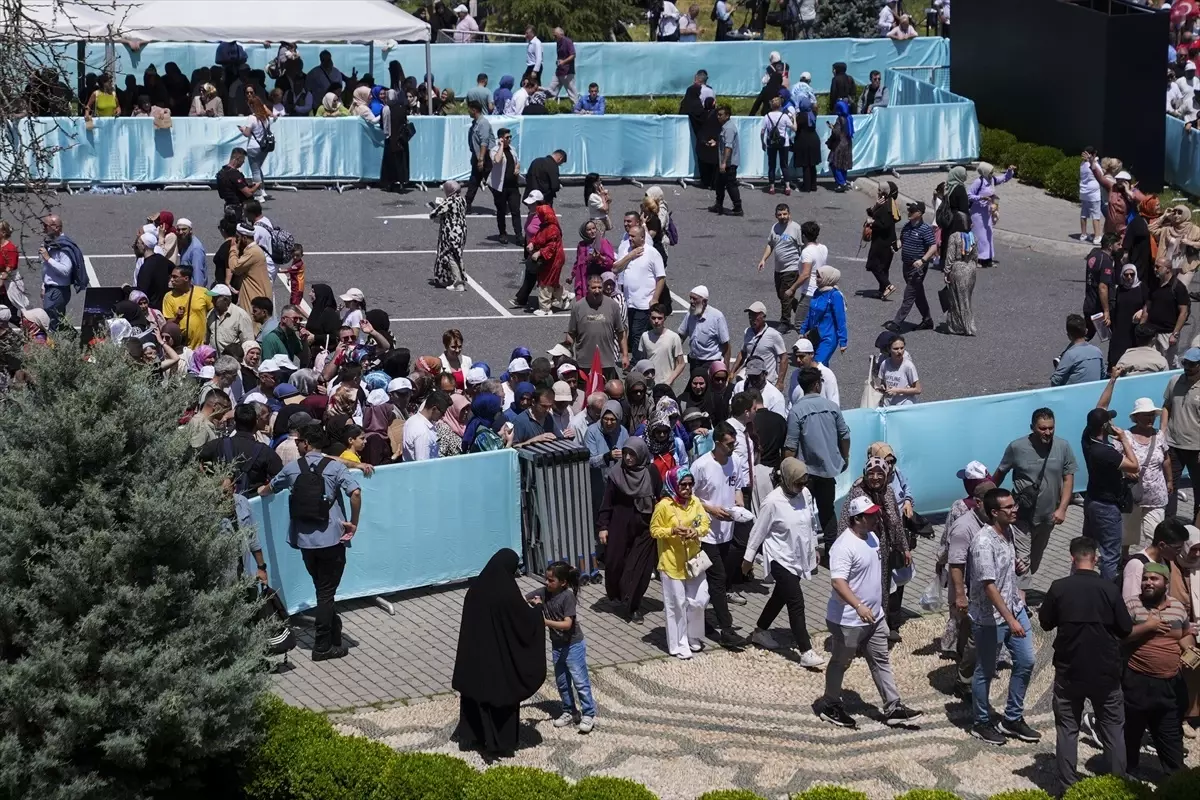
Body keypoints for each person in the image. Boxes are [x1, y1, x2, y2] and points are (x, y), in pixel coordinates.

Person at [818, 495, 924, 729]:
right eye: (871, 515)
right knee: (840, 662)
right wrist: (858, 605)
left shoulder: (873, 538)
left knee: (881, 660)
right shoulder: (843, 546)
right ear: (857, 519)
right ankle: (830, 704)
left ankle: (893, 706)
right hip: (847, 620)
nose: (877, 517)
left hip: (875, 617)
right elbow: (838, 582)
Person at [258, 423, 360, 661]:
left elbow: (268, 489)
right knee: (326, 593)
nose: (296, 444)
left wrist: (256, 491)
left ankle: (333, 628)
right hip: (332, 539)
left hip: (304, 541)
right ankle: (323, 646)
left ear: (306, 443)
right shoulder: (334, 467)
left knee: (322, 589)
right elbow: (355, 492)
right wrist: (353, 522)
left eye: (298, 441)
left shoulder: (293, 468)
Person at [1039, 536, 1133, 792]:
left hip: (1070, 670)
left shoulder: (1059, 588)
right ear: (1095, 558)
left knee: (1067, 729)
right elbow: (1125, 629)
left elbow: (1046, 622)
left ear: (1072, 558)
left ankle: (1068, 786)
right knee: (1113, 729)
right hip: (1106, 670)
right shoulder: (1110, 589)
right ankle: (1116, 786)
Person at [452, 548, 546, 756]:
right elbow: (523, 623)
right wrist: (538, 610)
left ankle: (473, 737)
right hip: (498, 667)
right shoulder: (506, 593)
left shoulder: (475, 589)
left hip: (475, 662)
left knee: (475, 700)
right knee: (499, 702)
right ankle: (500, 744)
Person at [967, 488, 1040, 746]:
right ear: (994, 512)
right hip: (990, 618)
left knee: (1026, 660)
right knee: (986, 670)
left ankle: (1012, 718)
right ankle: (981, 722)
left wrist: (1016, 564)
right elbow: (988, 586)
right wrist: (1011, 620)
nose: (1014, 509)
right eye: (1008, 507)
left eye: (1014, 505)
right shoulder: (983, 542)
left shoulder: (1007, 531)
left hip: (1012, 606)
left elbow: (1002, 570)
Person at [742, 457, 824, 666]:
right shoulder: (772, 502)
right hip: (779, 557)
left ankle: (760, 631)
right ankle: (805, 651)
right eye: (797, 482)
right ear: (786, 479)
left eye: (804, 483)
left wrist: (814, 547)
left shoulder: (804, 494)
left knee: (780, 596)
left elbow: (810, 523)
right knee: (795, 601)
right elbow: (758, 531)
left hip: (797, 556)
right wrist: (748, 559)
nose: (801, 487)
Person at [993, 408, 1077, 583]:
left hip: (1048, 516)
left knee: (1035, 560)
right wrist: (990, 499)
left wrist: (1062, 509)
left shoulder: (1063, 447)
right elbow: (1000, 473)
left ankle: (1014, 589)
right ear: (1032, 427)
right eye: (1042, 428)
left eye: (1051, 428)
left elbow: (1068, 479)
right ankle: (1019, 604)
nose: (1047, 432)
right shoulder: (1017, 447)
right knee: (1023, 560)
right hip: (1021, 515)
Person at [1122, 562, 1189, 775]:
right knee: (1131, 733)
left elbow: (1186, 633)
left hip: (1169, 683)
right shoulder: (1132, 605)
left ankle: (1175, 778)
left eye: (1154, 579)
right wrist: (1146, 627)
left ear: (1165, 583)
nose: (1148, 582)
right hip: (1138, 681)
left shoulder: (1177, 607)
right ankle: (1126, 773)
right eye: (1145, 578)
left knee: (1170, 734)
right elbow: (1118, 637)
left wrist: (1190, 654)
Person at [598, 437, 663, 625]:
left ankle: (633, 606)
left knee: (639, 567)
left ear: (641, 454)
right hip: (619, 525)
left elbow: (660, 497)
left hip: (644, 526)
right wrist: (603, 526)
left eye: (632, 454)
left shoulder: (651, 472)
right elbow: (607, 502)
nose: (627, 458)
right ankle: (617, 595)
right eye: (626, 453)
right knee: (614, 563)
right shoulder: (616, 473)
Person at [650, 467, 712, 659]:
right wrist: (672, 531)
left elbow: (704, 523)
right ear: (673, 485)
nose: (687, 488)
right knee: (676, 604)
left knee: (700, 599)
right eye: (682, 484)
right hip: (671, 563)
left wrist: (696, 532)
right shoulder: (664, 506)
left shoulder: (695, 502)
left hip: (693, 561)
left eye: (690, 484)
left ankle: (694, 635)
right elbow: (654, 530)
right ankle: (680, 642)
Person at [1081, 406, 1140, 581]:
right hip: (1106, 508)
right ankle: (1107, 593)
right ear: (1105, 425)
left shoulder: (1087, 439)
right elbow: (1133, 465)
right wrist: (1124, 440)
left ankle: (1079, 582)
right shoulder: (1105, 452)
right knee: (1110, 555)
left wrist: (1112, 381)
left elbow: (1101, 405)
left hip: (1092, 501)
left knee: (1087, 547)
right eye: (1110, 421)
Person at [885, 201, 938, 333]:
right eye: (909, 210)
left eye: (912, 211)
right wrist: (897, 245)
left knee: (909, 294)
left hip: (917, 268)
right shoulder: (907, 226)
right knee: (918, 294)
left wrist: (923, 260)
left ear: (919, 213)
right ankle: (927, 320)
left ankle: (897, 323)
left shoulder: (925, 229)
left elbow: (933, 246)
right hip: (906, 265)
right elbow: (902, 239)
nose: (908, 212)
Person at [1164, 348, 1200, 523]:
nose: (1187, 367)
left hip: (1196, 449)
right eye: (1185, 363)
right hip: (1173, 445)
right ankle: (1169, 525)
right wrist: (1163, 431)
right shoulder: (1174, 381)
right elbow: (1167, 406)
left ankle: (1196, 528)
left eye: (1192, 364)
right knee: (1170, 487)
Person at [757, 203, 806, 330]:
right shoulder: (775, 227)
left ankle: (785, 322)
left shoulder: (796, 228)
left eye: (785, 214)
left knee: (784, 295)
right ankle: (798, 307)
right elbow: (770, 244)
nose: (783, 216)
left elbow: (802, 247)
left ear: (789, 214)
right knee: (781, 295)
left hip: (792, 268)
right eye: (780, 214)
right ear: (776, 216)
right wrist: (763, 259)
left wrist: (804, 267)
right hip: (778, 269)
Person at [38, 215, 85, 331]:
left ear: (56, 228)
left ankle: (61, 344)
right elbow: (47, 269)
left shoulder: (63, 247)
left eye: (46, 226)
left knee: (53, 323)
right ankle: (73, 340)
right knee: (57, 321)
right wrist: (44, 285)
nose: (43, 229)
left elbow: (65, 270)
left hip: (58, 291)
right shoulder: (52, 243)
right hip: (51, 289)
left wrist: (48, 258)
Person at [1143, 256, 1191, 367]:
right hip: (1152, 332)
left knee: (1169, 364)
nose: (1155, 269)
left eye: (1158, 267)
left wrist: (1175, 333)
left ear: (1168, 269)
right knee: (1152, 364)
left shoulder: (1178, 287)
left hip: (1168, 334)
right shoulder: (1154, 284)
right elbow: (1147, 307)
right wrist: (1141, 327)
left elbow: (1183, 312)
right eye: (1154, 266)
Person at [939, 211, 978, 335]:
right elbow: (975, 255)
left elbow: (950, 257)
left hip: (958, 269)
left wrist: (946, 273)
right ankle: (969, 324)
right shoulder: (973, 236)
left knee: (956, 299)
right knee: (967, 298)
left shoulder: (954, 236)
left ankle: (960, 325)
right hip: (970, 269)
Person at [799, 267, 848, 366]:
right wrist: (803, 330)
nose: (816, 279)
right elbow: (810, 313)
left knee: (816, 365)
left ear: (827, 278)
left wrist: (843, 341)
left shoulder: (835, 295)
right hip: (815, 336)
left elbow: (840, 319)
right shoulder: (817, 291)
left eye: (819, 277)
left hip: (828, 338)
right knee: (822, 368)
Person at [678, 286, 730, 371]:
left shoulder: (717, 317)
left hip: (710, 363)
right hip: (694, 361)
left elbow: (726, 345)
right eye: (690, 298)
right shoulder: (690, 314)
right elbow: (681, 335)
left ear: (704, 301)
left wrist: (726, 368)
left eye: (694, 299)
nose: (691, 301)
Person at [429, 181, 468, 292]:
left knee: (450, 256)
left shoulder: (450, 201)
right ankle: (448, 278)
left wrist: (435, 206)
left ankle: (458, 283)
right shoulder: (462, 200)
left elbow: (434, 214)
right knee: (457, 255)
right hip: (462, 231)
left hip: (451, 232)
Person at [486, 127, 522, 246]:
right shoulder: (494, 150)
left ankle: (519, 236)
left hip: (513, 186)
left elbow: (517, 161)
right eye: (507, 137)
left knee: (515, 210)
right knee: (501, 211)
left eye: (510, 137)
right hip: (500, 186)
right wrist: (501, 146)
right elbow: (497, 160)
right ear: (501, 138)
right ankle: (502, 233)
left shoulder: (513, 149)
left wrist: (517, 168)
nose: (509, 139)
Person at [865, 181, 901, 300]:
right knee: (883, 266)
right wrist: (875, 206)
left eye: (880, 190)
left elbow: (884, 224)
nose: (878, 192)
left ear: (886, 192)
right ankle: (882, 291)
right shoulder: (887, 203)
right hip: (886, 240)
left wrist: (872, 222)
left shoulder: (887, 206)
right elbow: (872, 213)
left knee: (873, 264)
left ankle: (888, 286)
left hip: (882, 241)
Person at [1051, 313, 1106, 386]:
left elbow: (1055, 380)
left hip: (1074, 394)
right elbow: (1103, 376)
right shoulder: (1097, 352)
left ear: (1069, 336)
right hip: (1095, 392)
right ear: (1086, 331)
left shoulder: (1070, 355)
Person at [230, 223, 271, 316]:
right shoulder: (252, 250)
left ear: (244, 238)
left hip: (254, 296)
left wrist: (233, 249)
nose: (236, 240)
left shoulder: (252, 252)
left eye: (238, 237)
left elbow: (235, 267)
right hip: (254, 295)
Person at [237, 90, 272, 202]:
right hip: (263, 147)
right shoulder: (265, 118)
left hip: (253, 146)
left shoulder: (251, 118)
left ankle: (258, 194)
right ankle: (263, 190)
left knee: (255, 171)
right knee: (258, 168)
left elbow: (247, 133)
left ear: (252, 106)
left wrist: (242, 129)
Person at [709, 105, 743, 216]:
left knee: (731, 185)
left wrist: (724, 163)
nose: (718, 117)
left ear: (727, 116)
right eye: (717, 115)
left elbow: (729, 147)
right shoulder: (725, 127)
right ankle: (718, 204)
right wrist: (716, 143)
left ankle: (738, 208)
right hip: (723, 162)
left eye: (721, 115)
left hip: (729, 163)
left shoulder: (729, 128)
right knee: (719, 184)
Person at [1083, 234, 1118, 340]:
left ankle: (1064, 355)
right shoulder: (1106, 261)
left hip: (1089, 303)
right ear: (1110, 246)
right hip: (1098, 307)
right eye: (1118, 244)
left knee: (1085, 336)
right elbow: (1103, 287)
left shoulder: (1094, 253)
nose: (1120, 247)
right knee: (1113, 335)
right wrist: (1106, 311)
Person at [379, 88, 412, 194]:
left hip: (390, 139)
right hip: (401, 139)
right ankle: (402, 183)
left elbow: (382, 125)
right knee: (401, 162)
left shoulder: (386, 109)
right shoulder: (402, 108)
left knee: (389, 163)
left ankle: (389, 183)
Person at [760, 95, 795, 194]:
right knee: (784, 165)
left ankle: (772, 187)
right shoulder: (784, 116)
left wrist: (762, 142)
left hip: (771, 142)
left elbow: (762, 131)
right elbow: (794, 128)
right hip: (784, 142)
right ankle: (787, 187)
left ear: (771, 105)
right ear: (780, 105)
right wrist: (794, 119)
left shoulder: (767, 116)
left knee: (772, 165)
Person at [403, 390, 450, 461]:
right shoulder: (423, 432)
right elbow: (423, 465)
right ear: (434, 409)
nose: (443, 416)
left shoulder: (411, 420)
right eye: (442, 413)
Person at [791, 91, 821, 194]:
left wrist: (793, 117)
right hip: (814, 140)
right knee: (812, 165)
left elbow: (795, 127)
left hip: (804, 141)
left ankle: (806, 186)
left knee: (806, 165)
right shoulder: (813, 114)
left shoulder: (801, 116)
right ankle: (813, 185)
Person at [216, 149, 258, 219]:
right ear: (238, 159)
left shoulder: (222, 171)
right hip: (237, 207)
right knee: (239, 227)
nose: (243, 162)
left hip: (228, 205)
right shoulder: (234, 174)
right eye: (243, 159)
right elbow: (248, 193)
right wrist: (257, 186)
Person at [826, 100, 854, 192]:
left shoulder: (840, 119)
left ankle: (841, 183)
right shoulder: (849, 117)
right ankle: (843, 182)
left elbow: (837, 133)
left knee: (835, 164)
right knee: (844, 164)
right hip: (848, 143)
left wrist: (832, 127)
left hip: (839, 145)